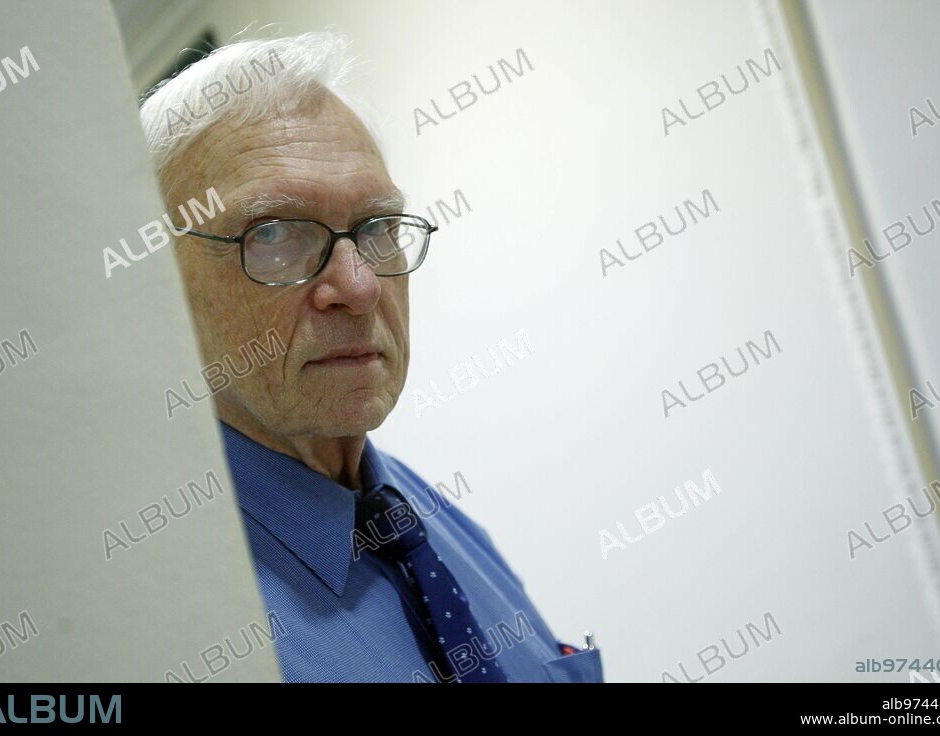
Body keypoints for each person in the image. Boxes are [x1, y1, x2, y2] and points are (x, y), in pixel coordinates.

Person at [138, 31, 602, 683]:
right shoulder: (165, 628)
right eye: (274, 232)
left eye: (378, 228)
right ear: (158, 282)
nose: (359, 288)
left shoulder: (426, 516)